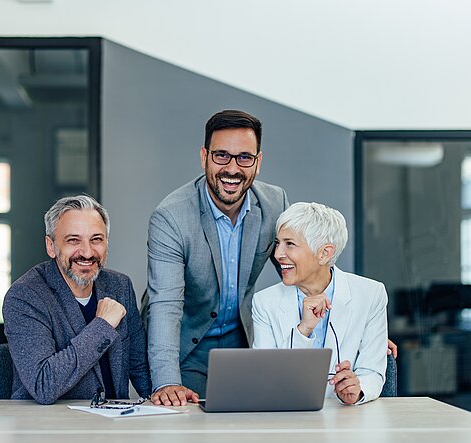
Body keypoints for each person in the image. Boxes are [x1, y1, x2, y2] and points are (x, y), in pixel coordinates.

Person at [145, 109, 289, 406]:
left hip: (242, 346)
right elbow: (165, 306)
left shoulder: (275, 204)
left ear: (258, 162)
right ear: (204, 157)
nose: (232, 169)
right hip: (185, 348)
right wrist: (167, 382)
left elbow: (306, 275)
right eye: (222, 156)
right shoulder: (171, 216)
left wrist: (356, 334)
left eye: (244, 157)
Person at [3, 195, 151, 404]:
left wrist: (165, 391)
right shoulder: (25, 296)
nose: (88, 252)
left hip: (113, 425)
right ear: (51, 246)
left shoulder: (120, 286)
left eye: (96, 239)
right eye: (74, 240)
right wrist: (102, 326)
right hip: (48, 428)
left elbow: (140, 366)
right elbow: (44, 385)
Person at [252, 202, 387, 404]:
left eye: (289, 244)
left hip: (347, 419)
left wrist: (357, 390)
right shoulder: (264, 302)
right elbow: (266, 378)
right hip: (286, 417)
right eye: (278, 243)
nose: (278, 254)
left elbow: (372, 372)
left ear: (324, 253)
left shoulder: (370, 294)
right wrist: (303, 330)